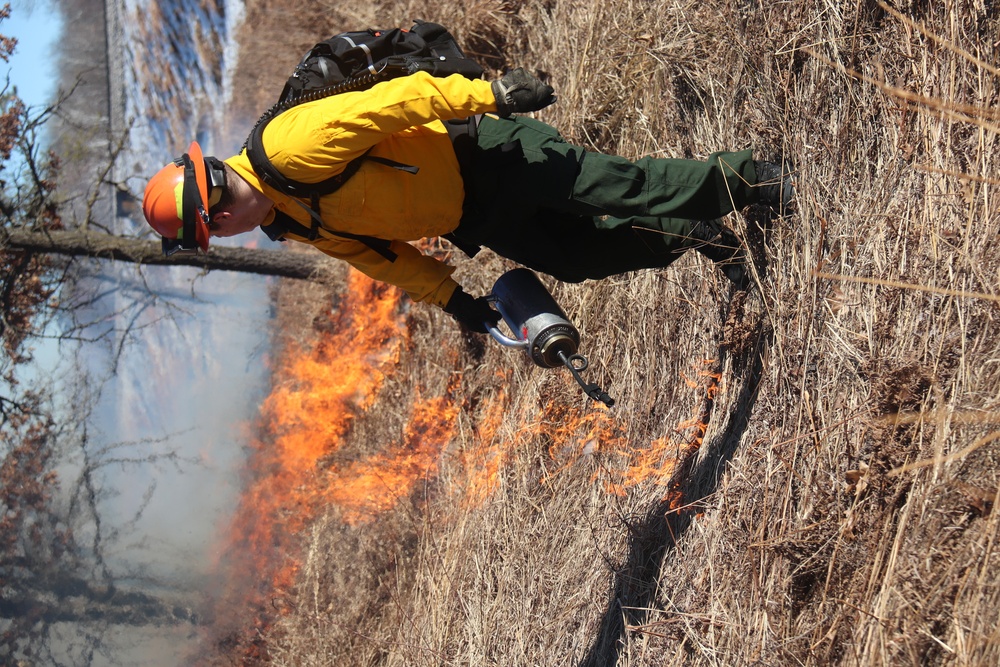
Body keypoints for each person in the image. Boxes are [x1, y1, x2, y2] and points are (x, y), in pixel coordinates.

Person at [142, 68, 794, 332]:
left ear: (218, 211)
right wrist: (454, 300)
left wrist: (491, 95)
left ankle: (757, 180)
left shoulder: (289, 149)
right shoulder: (285, 217)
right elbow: (378, 257)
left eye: (212, 230)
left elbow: (390, 104)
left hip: (486, 153)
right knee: (572, 260)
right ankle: (696, 233)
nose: (224, 235)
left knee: (621, 188)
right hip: (473, 215)